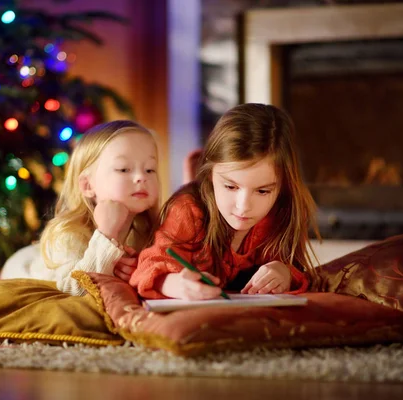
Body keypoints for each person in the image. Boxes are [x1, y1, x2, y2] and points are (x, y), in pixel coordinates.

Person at [130, 103, 319, 300]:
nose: (243, 206)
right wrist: (174, 284)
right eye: (231, 187)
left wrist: (284, 273)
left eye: (262, 191)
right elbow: (149, 266)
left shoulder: (283, 212)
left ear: (282, 186)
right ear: (210, 174)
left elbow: (299, 271)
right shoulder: (188, 209)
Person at [0, 120, 161, 296]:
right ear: (88, 186)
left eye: (150, 170)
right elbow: (71, 293)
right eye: (123, 169)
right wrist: (106, 236)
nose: (140, 177)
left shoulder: (147, 230)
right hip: (23, 270)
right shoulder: (68, 234)